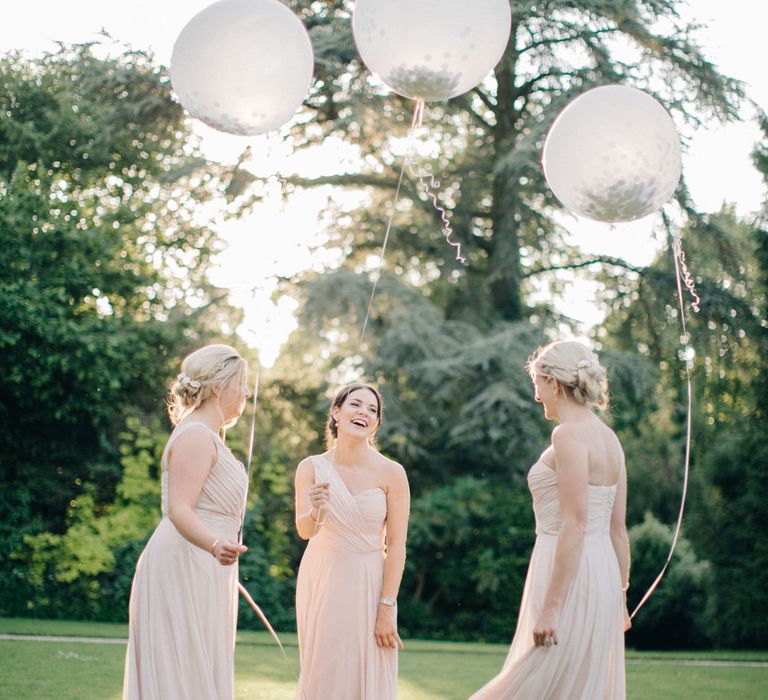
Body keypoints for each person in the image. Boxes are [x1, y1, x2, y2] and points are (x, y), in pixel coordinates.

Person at [470, 340, 630, 700]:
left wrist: (551, 609)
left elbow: (575, 523)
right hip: (602, 572)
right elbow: (617, 530)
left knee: (533, 681)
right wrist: (620, 595)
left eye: (538, 386)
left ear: (553, 384)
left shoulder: (567, 435)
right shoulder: (611, 440)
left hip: (565, 568)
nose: (537, 397)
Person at [123, 344, 251, 700]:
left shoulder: (208, 434)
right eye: (241, 383)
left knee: (199, 670)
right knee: (182, 671)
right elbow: (179, 509)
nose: (246, 392)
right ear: (216, 387)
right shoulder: (195, 434)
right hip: (187, 560)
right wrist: (213, 544)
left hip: (208, 563)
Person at [294, 383, 410, 700]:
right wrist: (316, 507)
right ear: (337, 412)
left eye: (372, 410)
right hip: (323, 577)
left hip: (370, 580)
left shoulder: (392, 473)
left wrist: (388, 606)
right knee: (324, 670)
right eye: (355, 405)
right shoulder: (310, 467)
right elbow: (305, 531)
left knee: (369, 666)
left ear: (376, 424)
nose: (363, 413)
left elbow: (397, 546)